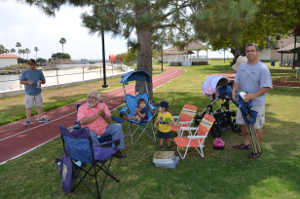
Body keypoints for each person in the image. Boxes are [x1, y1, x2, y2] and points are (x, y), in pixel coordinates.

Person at [232, 43, 273, 159]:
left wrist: (252, 96)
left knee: (256, 126)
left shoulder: (263, 68)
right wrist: (234, 89)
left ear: (257, 52)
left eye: (252, 51)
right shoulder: (242, 66)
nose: (250, 53)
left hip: (256, 103)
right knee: (242, 123)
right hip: (243, 101)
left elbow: (266, 87)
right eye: (248, 51)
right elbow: (237, 79)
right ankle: (246, 144)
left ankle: (257, 150)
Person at [77, 90, 126, 158]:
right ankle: (98, 153)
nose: (90, 99)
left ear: (98, 99)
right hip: (91, 131)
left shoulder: (103, 106)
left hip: (104, 129)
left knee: (118, 126)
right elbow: (82, 121)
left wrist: (103, 114)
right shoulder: (82, 108)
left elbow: (110, 120)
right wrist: (96, 116)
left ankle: (115, 150)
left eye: (93, 97)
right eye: (89, 97)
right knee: (89, 133)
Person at [20, 58, 49, 127]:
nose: (30, 65)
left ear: (35, 64)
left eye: (31, 64)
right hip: (29, 93)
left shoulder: (39, 72)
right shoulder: (25, 72)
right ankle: (28, 120)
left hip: (38, 92)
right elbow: (21, 82)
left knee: (39, 106)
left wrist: (41, 82)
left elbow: (44, 81)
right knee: (28, 107)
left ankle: (41, 118)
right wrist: (28, 82)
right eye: (29, 64)